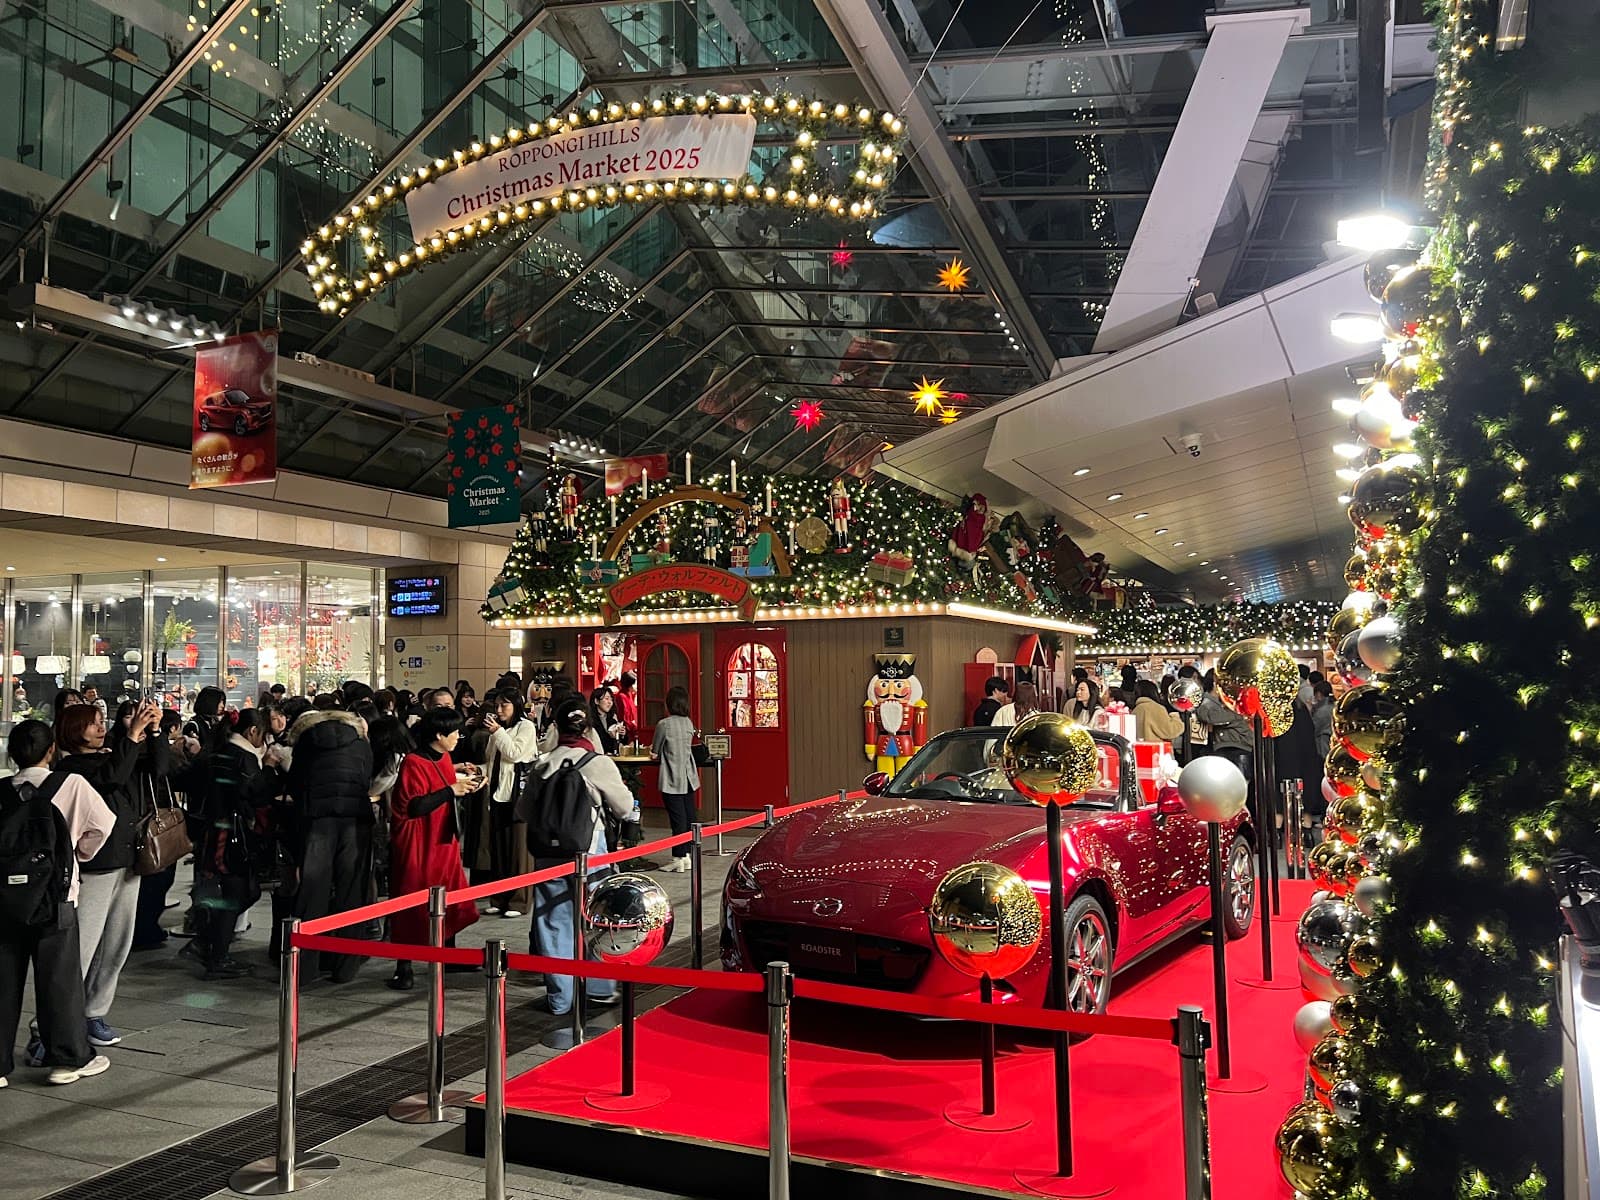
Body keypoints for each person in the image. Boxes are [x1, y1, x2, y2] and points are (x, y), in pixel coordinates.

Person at [2, 720, 117, 1086]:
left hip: (5, 902)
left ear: (11, 754)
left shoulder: (2, 790)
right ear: (52, 751)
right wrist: (77, 856)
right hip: (57, 898)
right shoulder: (71, 785)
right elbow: (103, 825)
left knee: (2, 981)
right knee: (60, 981)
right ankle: (67, 1060)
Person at [54, 699, 163, 1049]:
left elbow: (160, 767)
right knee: (84, 946)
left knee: (117, 942)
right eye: (93, 723)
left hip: (129, 860)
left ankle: (93, 1012)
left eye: (102, 721)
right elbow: (111, 779)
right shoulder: (72, 769)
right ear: (74, 730)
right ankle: (57, 1022)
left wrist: (155, 730)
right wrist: (132, 736)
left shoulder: (115, 753)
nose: (101, 727)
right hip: (96, 866)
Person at [528, 697, 631, 1016]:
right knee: (597, 915)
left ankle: (561, 997)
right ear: (587, 726)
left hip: (548, 854)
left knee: (552, 920)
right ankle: (600, 988)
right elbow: (625, 807)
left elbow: (524, 809)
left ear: (556, 726)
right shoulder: (597, 763)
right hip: (592, 849)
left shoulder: (543, 764)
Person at [386, 708, 480, 990]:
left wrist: (463, 780)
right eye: (454, 733)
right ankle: (404, 966)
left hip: (442, 837)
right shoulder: (413, 762)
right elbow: (415, 806)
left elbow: (445, 783)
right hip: (419, 840)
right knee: (413, 897)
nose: (458, 737)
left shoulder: (444, 756)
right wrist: (452, 789)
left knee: (449, 896)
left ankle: (447, 954)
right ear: (439, 735)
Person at [185, 710, 281, 978]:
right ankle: (216, 955)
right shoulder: (245, 758)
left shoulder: (220, 752)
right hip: (232, 835)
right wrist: (271, 768)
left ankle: (208, 943)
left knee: (245, 891)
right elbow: (259, 793)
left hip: (216, 831)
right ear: (252, 732)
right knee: (238, 892)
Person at [286, 705, 374, 982]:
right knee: (351, 892)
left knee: (313, 891)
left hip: (317, 821)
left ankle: (306, 967)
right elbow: (365, 777)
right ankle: (346, 967)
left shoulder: (307, 742)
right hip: (354, 821)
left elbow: (296, 784)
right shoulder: (360, 743)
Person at [478, 688, 540, 919]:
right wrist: (478, 771)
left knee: (519, 852)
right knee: (500, 850)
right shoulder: (499, 732)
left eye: (504, 705)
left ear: (516, 705)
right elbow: (493, 761)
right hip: (497, 795)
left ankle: (519, 900)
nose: (499, 710)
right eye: (496, 705)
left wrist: (497, 732)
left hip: (518, 797)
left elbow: (514, 754)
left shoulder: (526, 727)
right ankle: (499, 897)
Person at [650, 686, 700, 873]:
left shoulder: (664, 724)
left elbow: (655, 752)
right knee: (688, 818)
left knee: (676, 819)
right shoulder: (689, 723)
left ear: (669, 703)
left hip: (671, 777)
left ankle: (678, 858)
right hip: (688, 776)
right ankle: (686, 855)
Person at [588, 686, 628, 754]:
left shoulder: (612, 719)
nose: (610, 702)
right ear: (596, 701)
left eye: (611, 699)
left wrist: (622, 734)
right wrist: (611, 736)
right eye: (607, 699)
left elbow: (623, 743)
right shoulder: (590, 720)